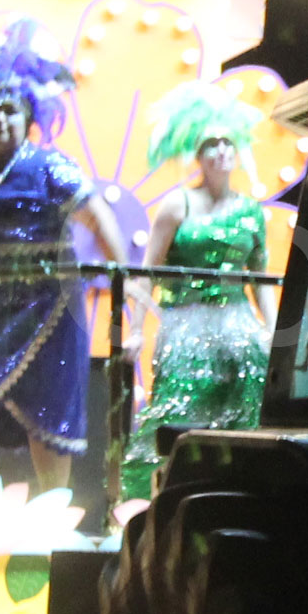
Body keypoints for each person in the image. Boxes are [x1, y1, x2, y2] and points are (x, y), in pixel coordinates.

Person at [0, 21, 127, 490]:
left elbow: (100, 219)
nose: (0, 119)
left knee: (49, 414)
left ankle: (54, 515)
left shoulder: (51, 167)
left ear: (29, 115)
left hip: (49, 307)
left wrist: (126, 282)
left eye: (10, 110)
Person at [120, 84, 274, 505]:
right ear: (198, 154)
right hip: (186, 322)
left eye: (228, 142)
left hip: (238, 323)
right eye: (211, 144)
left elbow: (260, 279)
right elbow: (147, 273)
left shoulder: (250, 211)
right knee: (179, 405)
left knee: (246, 404)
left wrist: (276, 332)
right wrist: (136, 330)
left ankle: (232, 497)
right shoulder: (177, 205)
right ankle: (154, 501)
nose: (221, 151)